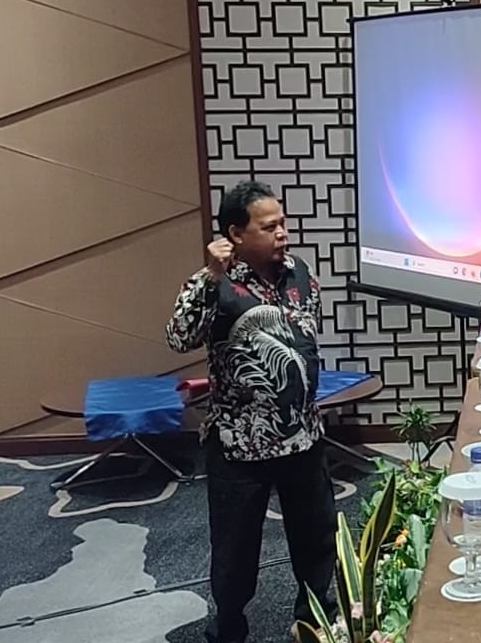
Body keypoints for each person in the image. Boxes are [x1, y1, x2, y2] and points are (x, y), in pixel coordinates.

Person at [166, 181, 336, 643]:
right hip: (241, 443)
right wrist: (210, 277)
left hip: (302, 434)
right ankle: (229, 628)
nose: (283, 233)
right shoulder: (212, 282)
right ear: (236, 234)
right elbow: (179, 337)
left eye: (283, 223)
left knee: (318, 542)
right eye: (269, 227)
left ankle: (314, 621)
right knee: (235, 553)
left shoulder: (299, 273)